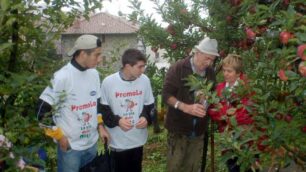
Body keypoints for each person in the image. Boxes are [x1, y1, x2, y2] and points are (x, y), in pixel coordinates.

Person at [36, 34, 110, 172]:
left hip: (92, 144)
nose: (99, 59)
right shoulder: (62, 77)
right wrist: (59, 137)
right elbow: (41, 111)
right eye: (96, 55)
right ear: (83, 54)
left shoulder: (94, 74)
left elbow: (96, 104)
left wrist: (100, 126)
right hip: (71, 148)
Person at [162, 37, 219, 172]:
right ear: (197, 52)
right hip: (178, 130)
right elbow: (166, 95)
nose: (209, 63)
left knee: (192, 167)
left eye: (212, 60)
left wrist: (208, 100)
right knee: (174, 167)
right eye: (207, 58)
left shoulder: (210, 73)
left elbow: (212, 95)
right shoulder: (179, 68)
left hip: (199, 130)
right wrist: (185, 107)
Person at [99, 48, 154, 172]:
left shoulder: (144, 80)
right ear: (128, 66)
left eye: (143, 66)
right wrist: (118, 121)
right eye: (140, 67)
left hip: (138, 139)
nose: (143, 70)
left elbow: (149, 106)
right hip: (118, 142)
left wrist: (146, 117)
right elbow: (103, 111)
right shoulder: (109, 82)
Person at [208, 54, 254, 172]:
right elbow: (212, 111)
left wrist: (224, 114)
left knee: (248, 166)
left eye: (229, 71)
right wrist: (226, 114)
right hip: (227, 138)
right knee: (232, 166)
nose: (225, 74)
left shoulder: (246, 88)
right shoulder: (220, 88)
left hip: (244, 137)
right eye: (224, 70)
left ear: (238, 73)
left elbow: (246, 115)